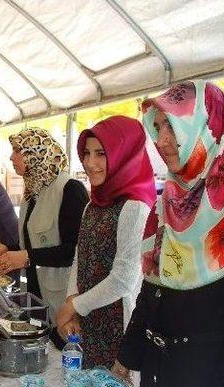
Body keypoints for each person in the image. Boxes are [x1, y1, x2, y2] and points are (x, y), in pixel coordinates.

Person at [112, 81, 224, 387]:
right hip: (156, 383)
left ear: (209, 130)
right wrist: (125, 359)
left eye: (173, 127)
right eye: (158, 126)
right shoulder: (170, 205)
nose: (161, 140)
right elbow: (153, 290)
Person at [55, 116, 156, 369]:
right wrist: (73, 305)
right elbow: (81, 257)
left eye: (101, 153)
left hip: (116, 329)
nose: (90, 163)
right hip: (88, 322)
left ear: (125, 154)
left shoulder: (135, 207)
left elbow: (124, 278)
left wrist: (74, 305)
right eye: (87, 153)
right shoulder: (94, 203)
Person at [0, 128, 88, 336]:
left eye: (18, 151)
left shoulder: (69, 190)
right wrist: (9, 249)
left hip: (61, 294)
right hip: (34, 292)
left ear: (37, 154)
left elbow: (73, 251)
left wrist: (26, 257)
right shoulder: (33, 189)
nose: (11, 157)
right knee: (40, 343)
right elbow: (34, 240)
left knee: (63, 349)